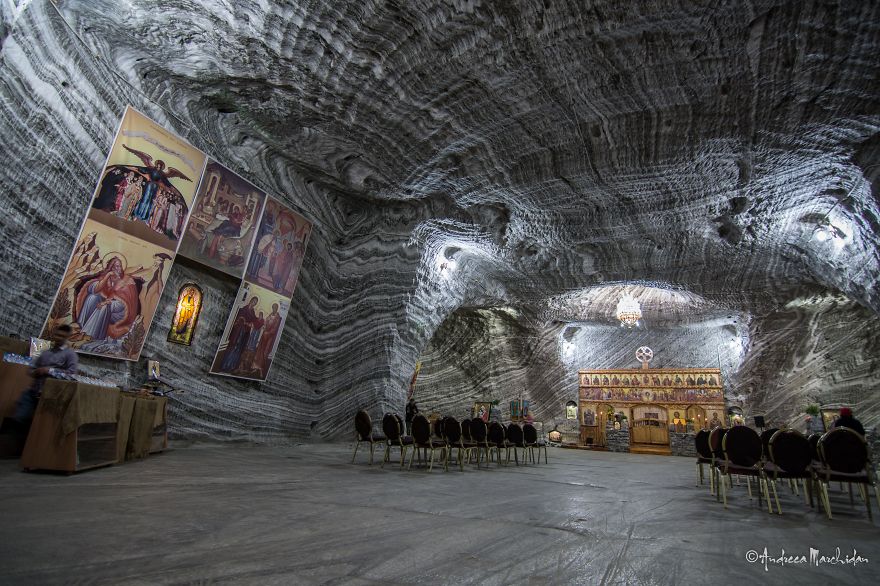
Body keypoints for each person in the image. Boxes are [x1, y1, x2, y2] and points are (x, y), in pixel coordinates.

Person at [13, 325, 78, 424]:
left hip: (51, 397)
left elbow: (72, 375)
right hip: (34, 393)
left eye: (62, 336)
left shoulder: (70, 355)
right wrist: (34, 372)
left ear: (67, 338)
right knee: (19, 418)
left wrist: (50, 371)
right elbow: (31, 370)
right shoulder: (45, 352)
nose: (59, 338)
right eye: (57, 335)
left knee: (38, 426)